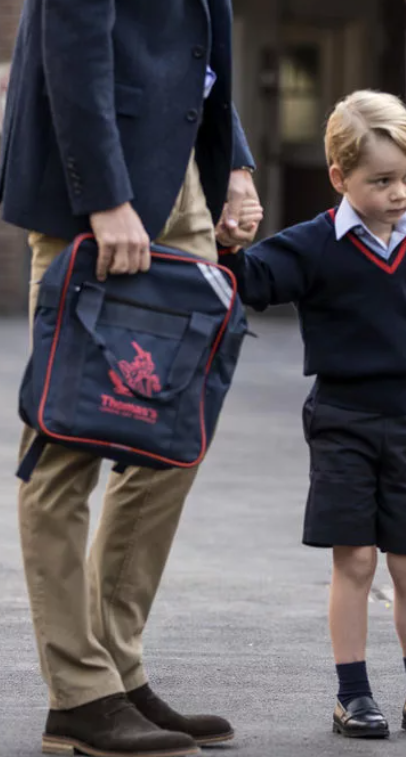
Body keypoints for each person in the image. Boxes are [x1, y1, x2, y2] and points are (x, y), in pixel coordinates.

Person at [0, 2, 261, 755]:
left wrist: (234, 163)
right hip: (101, 192)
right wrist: (104, 196)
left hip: (178, 175)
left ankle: (115, 665)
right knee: (68, 436)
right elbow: (74, 45)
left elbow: (192, 51)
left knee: (173, 431)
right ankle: (78, 694)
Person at [221, 89, 406, 741]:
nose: (400, 193)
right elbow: (248, 282)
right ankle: (353, 696)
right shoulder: (312, 246)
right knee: (355, 560)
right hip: (341, 418)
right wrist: (228, 242)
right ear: (339, 177)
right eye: (382, 180)